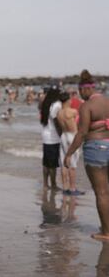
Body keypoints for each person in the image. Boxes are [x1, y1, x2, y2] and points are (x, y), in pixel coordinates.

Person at [65, 70, 109, 241]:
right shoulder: (107, 101)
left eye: (80, 91)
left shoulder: (87, 106)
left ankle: (106, 232)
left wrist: (69, 154)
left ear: (85, 89)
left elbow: (82, 133)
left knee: (102, 192)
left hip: (95, 149)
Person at [57, 92, 83, 196]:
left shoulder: (59, 113)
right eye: (70, 99)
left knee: (64, 162)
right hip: (72, 136)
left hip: (63, 135)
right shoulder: (72, 111)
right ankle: (72, 189)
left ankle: (65, 187)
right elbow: (81, 123)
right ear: (68, 100)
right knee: (72, 164)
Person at [40, 85, 62, 190]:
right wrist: (61, 134)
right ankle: (53, 184)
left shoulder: (45, 104)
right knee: (53, 164)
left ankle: (45, 183)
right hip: (53, 136)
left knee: (46, 162)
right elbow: (56, 122)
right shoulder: (56, 105)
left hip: (45, 135)